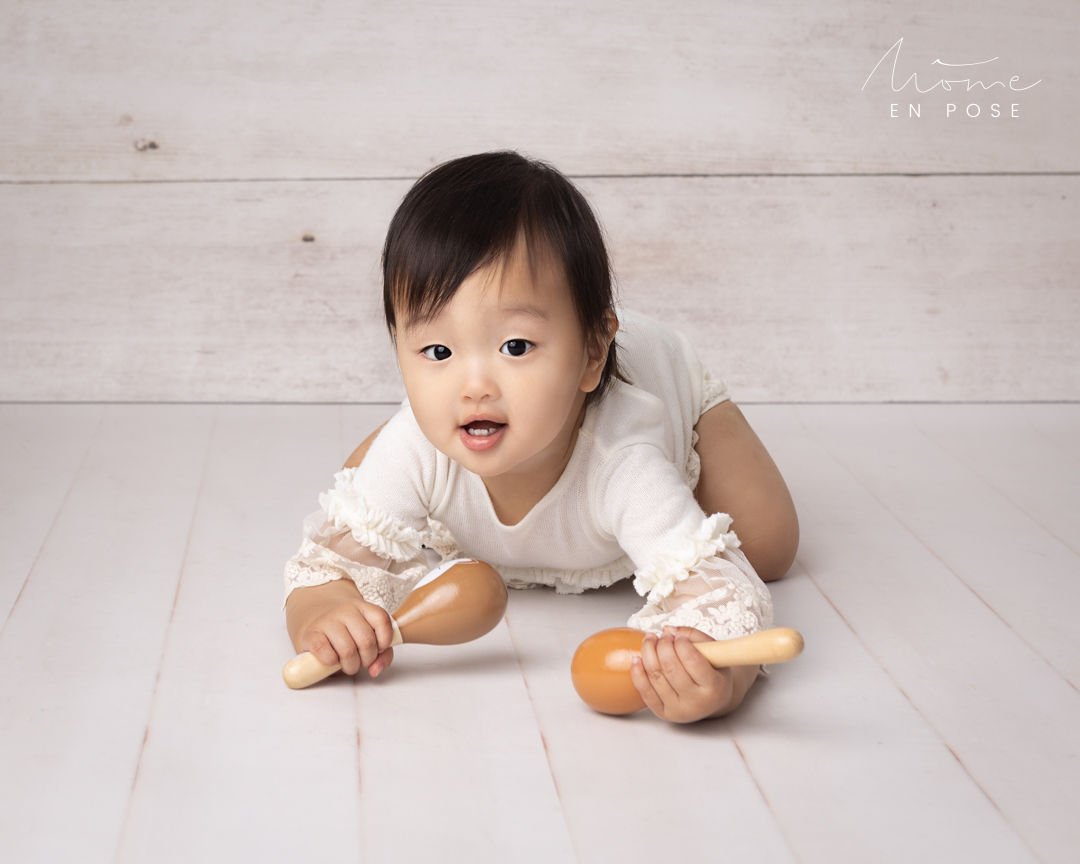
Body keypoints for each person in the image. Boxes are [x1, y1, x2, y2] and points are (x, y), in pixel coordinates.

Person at [283, 151, 799, 723]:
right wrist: (325, 613)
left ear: (591, 353)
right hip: (444, 443)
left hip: (663, 384)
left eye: (516, 347)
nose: (474, 386)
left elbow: (725, 601)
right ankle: (397, 453)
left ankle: (696, 411)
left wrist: (719, 676)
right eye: (437, 351)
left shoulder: (624, 465)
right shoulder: (425, 441)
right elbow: (321, 574)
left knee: (770, 545)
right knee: (376, 478)